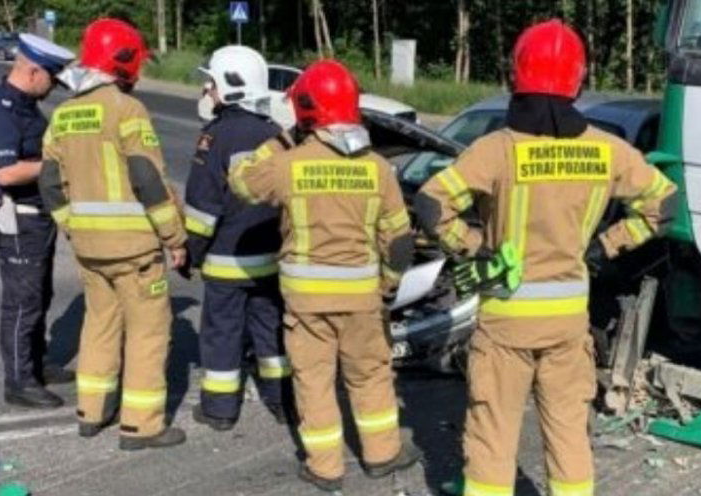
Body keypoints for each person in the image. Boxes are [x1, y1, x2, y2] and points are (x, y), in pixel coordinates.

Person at [416, 20, 677, 496]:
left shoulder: (494, 150)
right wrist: (606, 246)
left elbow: (431, 204)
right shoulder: (608, 150)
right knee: (568, 431)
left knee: (492, 432)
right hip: (567, 321)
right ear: (578, 80)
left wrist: (474, 247)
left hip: (505, 320)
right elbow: (666, 205)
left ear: (516, 76)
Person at [228, 59, 421, 491]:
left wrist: (281, 139)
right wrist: (387, 286)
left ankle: (325, 467)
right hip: (363, 301)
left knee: (313, 381)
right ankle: (382, 454)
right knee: (370, 376)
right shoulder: (378, 168)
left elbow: (240, 181)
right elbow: (400, 241)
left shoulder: (290, 164)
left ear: (305, 111)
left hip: (306, 303)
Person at [38, 18, 188, 451]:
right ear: (123, 61)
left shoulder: (64, 113)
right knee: (147, 332)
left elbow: (49, 183)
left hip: (88, 247)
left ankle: (91, 411)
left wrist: (72, 226)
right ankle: (141, 426)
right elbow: (147, 177)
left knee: (99, 324)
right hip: (134, 248)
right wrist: (174, 237)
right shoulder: (126, 109)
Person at [183, 45, 292, 431]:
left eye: (210, 84)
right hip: (272, 262)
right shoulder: (278, 136)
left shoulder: (215, 138)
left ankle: (220, 409)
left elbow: (201, 207)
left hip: (227, 263)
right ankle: (284, 403)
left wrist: (189, 255)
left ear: (229, 87)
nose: (206, 91)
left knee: (222, 336)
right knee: (271, 332)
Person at [0, 33, 76, 409]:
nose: (53, 86)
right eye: (51, 77)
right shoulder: (1, 109)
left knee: (40, 294)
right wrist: (59, 166)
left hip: (38, 216)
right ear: (33, 71)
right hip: (17, 219)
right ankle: (19, 381)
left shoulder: (25, 105)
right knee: (22, 301)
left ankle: (35, 364)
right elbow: (6, 173)